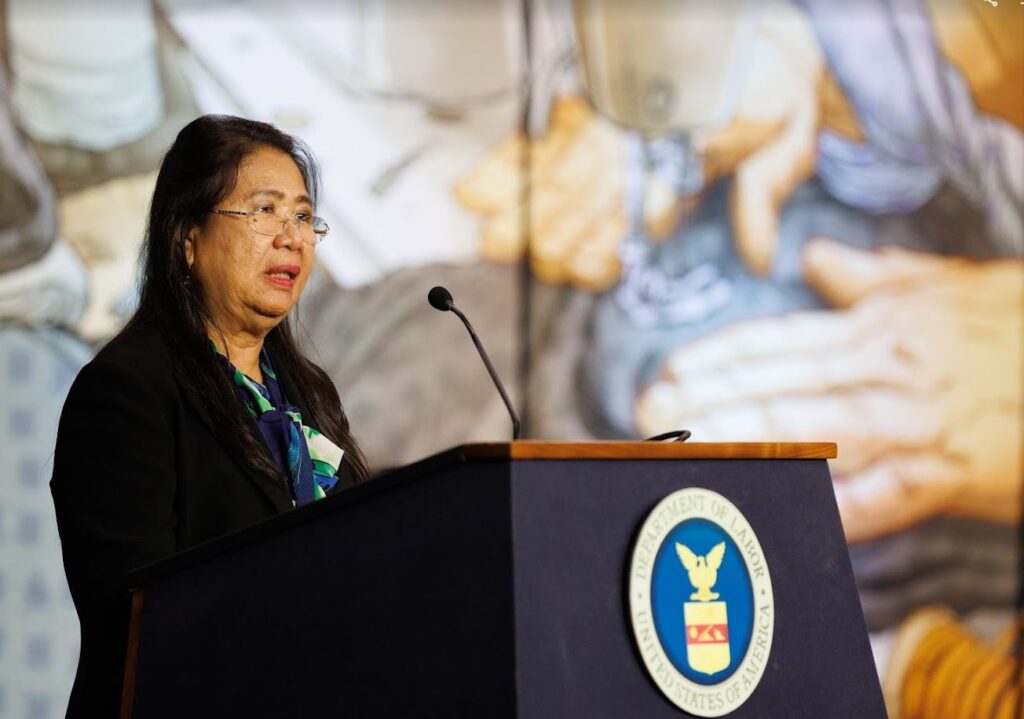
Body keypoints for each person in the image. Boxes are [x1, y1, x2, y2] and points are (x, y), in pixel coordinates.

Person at [49, 115, 368, 717]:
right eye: (264, 211)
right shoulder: (128, 392)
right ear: (187, 237)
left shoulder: (308, 394)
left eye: (303, 216)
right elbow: (137, 614)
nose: (292, 238)